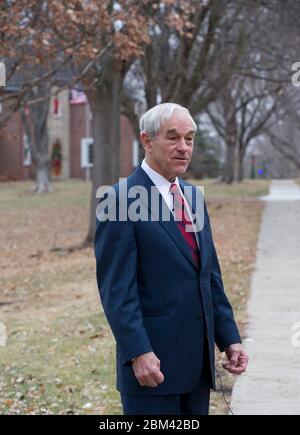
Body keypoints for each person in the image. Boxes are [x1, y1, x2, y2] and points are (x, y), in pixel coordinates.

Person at [94, 103, 248, 415]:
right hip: (153, 369)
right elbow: (117, 291)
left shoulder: (193, 197)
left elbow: (209, 278)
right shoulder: (118, 200)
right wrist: (139, 352)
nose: (183, 147)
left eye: (189, 139)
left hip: (197, 368)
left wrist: (229, 338)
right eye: (173, 137)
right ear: (147, 141)